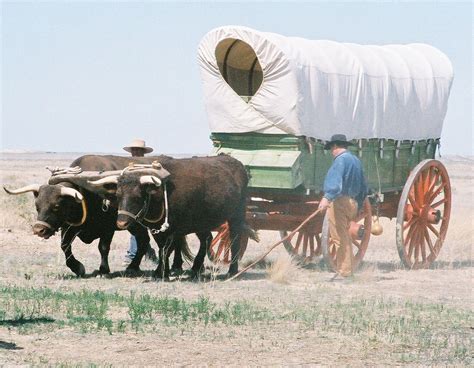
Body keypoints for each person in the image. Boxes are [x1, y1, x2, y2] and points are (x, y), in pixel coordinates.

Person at [318, 134, 368, 279]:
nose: (331, 152)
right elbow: (364, 187)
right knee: (345, 236)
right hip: (353, 202)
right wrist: (358, 205)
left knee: (340, 237)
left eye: (331, 149)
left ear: (335, 147)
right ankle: (348, 269)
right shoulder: (355, 160)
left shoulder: (340, 161)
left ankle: (345, 272)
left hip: (340, 202)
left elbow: (335, 183)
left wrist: (326, 198)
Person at [122, 139, 158, 265]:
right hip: (134, 203)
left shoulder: (149, 165)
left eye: (138, 150)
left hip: (148, 202)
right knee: (137, 229)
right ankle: (146, 252)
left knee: (138, 229)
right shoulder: (127, 166)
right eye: (134, 150)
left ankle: (133, 255)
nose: (135, 152)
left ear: (143, 152)